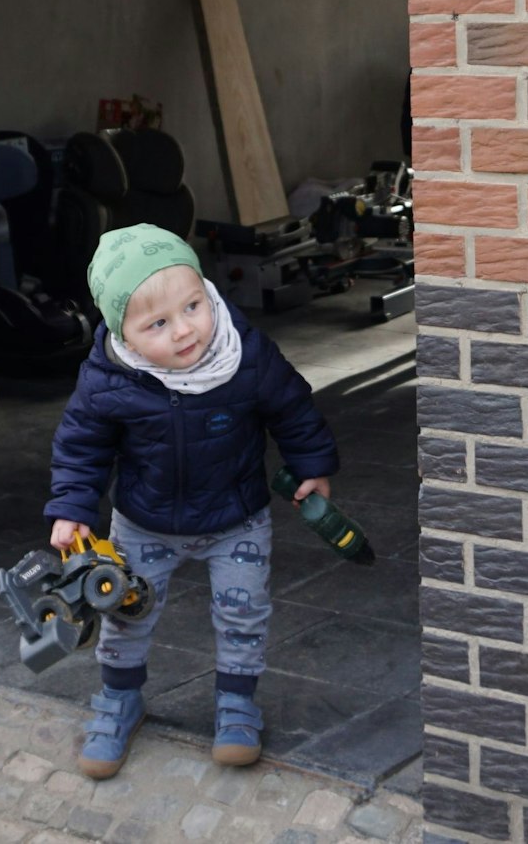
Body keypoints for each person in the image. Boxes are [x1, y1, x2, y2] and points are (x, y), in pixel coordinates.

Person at [45, 223, 340, 780]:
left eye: (193, 306)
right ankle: (119, 701)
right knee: (127, 616)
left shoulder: (244, 355)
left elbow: (293, 408)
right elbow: (80, 446)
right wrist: (71, 508)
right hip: (143, 523)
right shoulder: (109, 379)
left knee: (242, 614)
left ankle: (236, 704)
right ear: (123, 334)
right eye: (158, 323)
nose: (184, 331)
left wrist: (313, 465)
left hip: (238, 520)